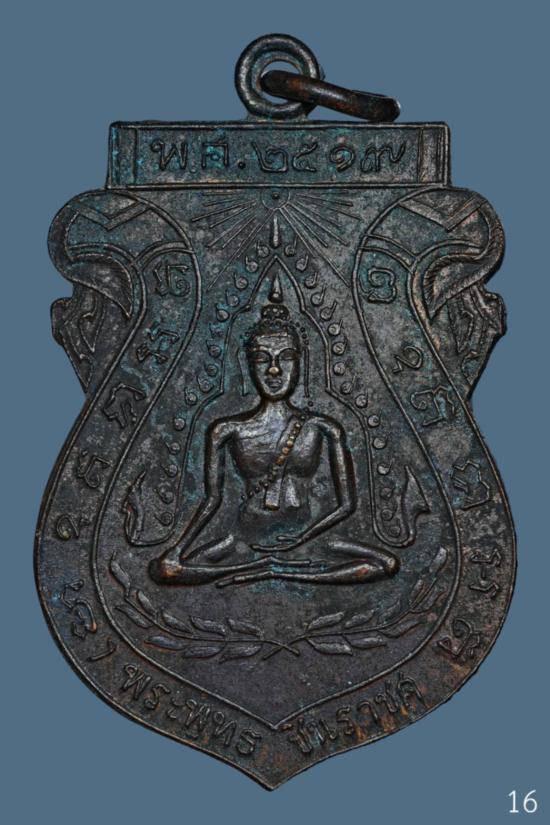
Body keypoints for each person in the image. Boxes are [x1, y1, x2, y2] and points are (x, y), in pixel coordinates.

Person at [149, 288, 399, 587]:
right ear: (247, 365)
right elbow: (212, 500)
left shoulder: (323, 427)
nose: (275, 370)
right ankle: (261, 566)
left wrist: (303, 538)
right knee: (168, 572)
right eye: (261, 359)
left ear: (301, 364)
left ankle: (277, 571)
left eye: (286, 358)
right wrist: (179, 548)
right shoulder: (227, 430)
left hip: (309, 534)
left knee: (388, 564)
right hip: (244, 539)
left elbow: (346, 505)